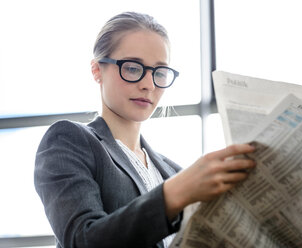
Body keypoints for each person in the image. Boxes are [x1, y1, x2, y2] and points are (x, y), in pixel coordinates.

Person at [34, 11, 256, 248]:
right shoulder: (69, 140)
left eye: (159, 72)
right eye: (132, 68)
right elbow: (82, 240)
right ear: (97, 70)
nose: (148, 85)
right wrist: (173, 194)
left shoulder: (173, 172)